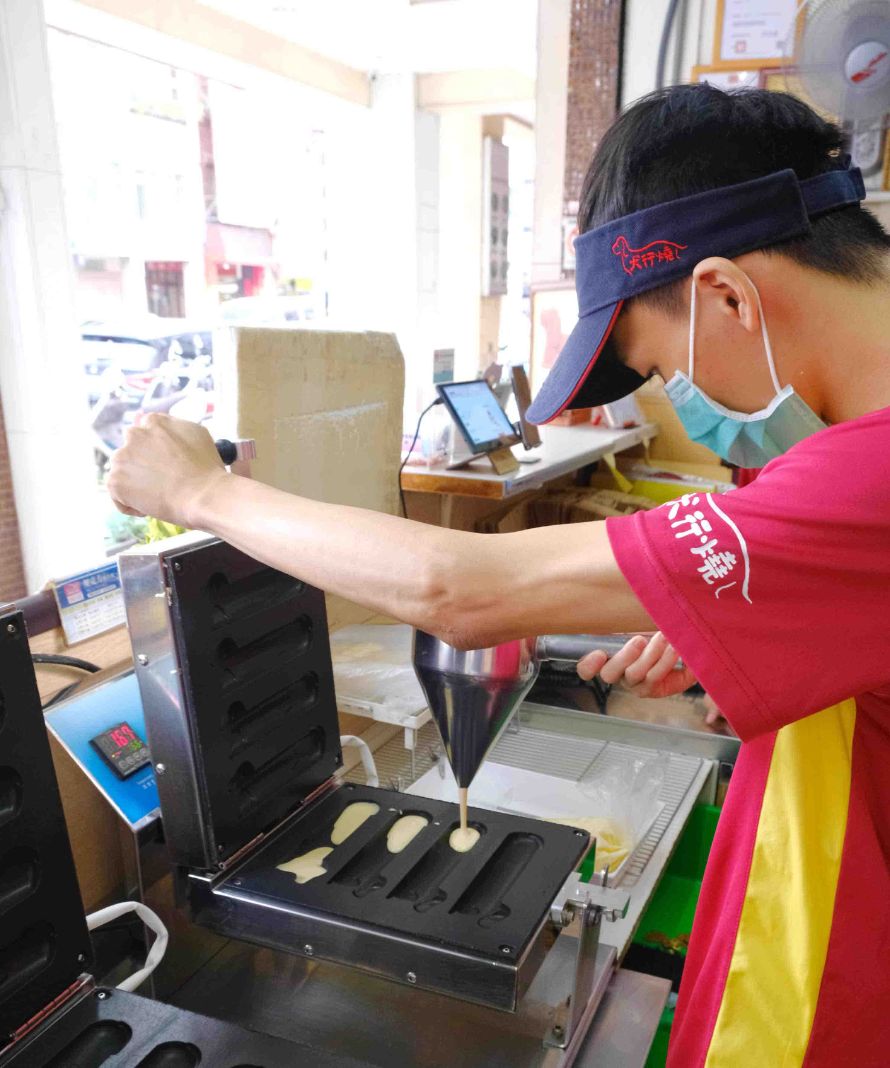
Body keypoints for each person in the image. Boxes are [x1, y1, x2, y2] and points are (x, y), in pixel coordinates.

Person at [108, 85, 890, 1067]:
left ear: (728, 296)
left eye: (661, 373)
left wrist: (205, 492)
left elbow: (456, 590)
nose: (689, 410)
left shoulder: (864, 476)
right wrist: (749, 618)